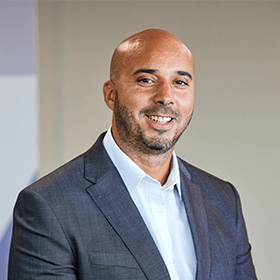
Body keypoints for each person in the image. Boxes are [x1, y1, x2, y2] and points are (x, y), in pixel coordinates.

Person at [8, 29, 257, 279]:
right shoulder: (49, 205)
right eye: (146, 80)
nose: (166, 97)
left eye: (180, 82)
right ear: (111, 95)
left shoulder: (224, 200)